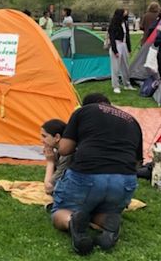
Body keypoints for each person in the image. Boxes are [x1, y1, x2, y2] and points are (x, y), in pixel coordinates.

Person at [52, 93, 142, 255]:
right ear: (109, 103)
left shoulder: (83, 112)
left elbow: (65, 149)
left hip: (87, 175)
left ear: (86, 105)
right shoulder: (132, 120)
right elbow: (137, 163)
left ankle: (72, 222)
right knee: (100, 209)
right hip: (124, 180)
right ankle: (109, 221)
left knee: (61, 209)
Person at [108, 9, 134, 94]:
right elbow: (112, 38)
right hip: (117, 44)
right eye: (124, 12)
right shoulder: (113, 24)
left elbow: (127, 37)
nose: (126, 14)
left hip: (124, 45)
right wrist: (115, 50)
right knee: (115, 67)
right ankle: (116, 86)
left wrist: (129, 49)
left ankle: (127, 84)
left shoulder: (125, 23)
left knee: (125, 65)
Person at [41, 119, 70, 195]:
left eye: (44, 136)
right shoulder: (59, 150)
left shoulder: (67, 154)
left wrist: (50, 162)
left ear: (57, 137)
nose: (42, 140)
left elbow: (49, 188)